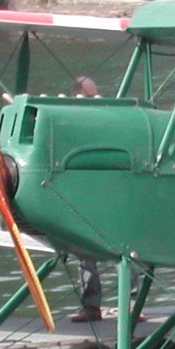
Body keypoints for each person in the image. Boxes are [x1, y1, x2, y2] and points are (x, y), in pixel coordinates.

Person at [68, 75, 106, 322]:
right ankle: (91, 306)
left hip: (109, 191)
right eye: (88, 96)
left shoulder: (105, 118)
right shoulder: (71, 119)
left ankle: (135, 305)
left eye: (95, 96)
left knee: (131, 253)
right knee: (85, 253)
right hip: (84, 193)